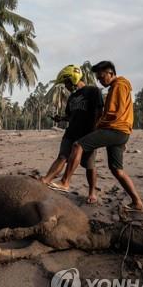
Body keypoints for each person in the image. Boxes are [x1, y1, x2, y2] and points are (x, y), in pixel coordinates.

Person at [56, 61, 143, 212]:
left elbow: (113, 112)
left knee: (78, 145)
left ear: (111, 73)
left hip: (114, 129)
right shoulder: (117, 86)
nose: (100, 80)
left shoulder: (118, 85)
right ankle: (137, 203)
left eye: (102, 77)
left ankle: (65, 182)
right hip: (121, 132)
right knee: (117, 170)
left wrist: (98, 126)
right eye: (98, 78)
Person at [40, 65, 103, 204]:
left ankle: (92, 192)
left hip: (87, 133)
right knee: (62, 156)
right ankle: (46, 180)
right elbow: (71, 115)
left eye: (66, 83)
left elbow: (100, 112)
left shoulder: (93, 91)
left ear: (72, 79)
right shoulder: (72, 98)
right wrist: (61, 118)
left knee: (89, 165)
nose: (66, 86)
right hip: (71, 133)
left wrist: (96, 131)